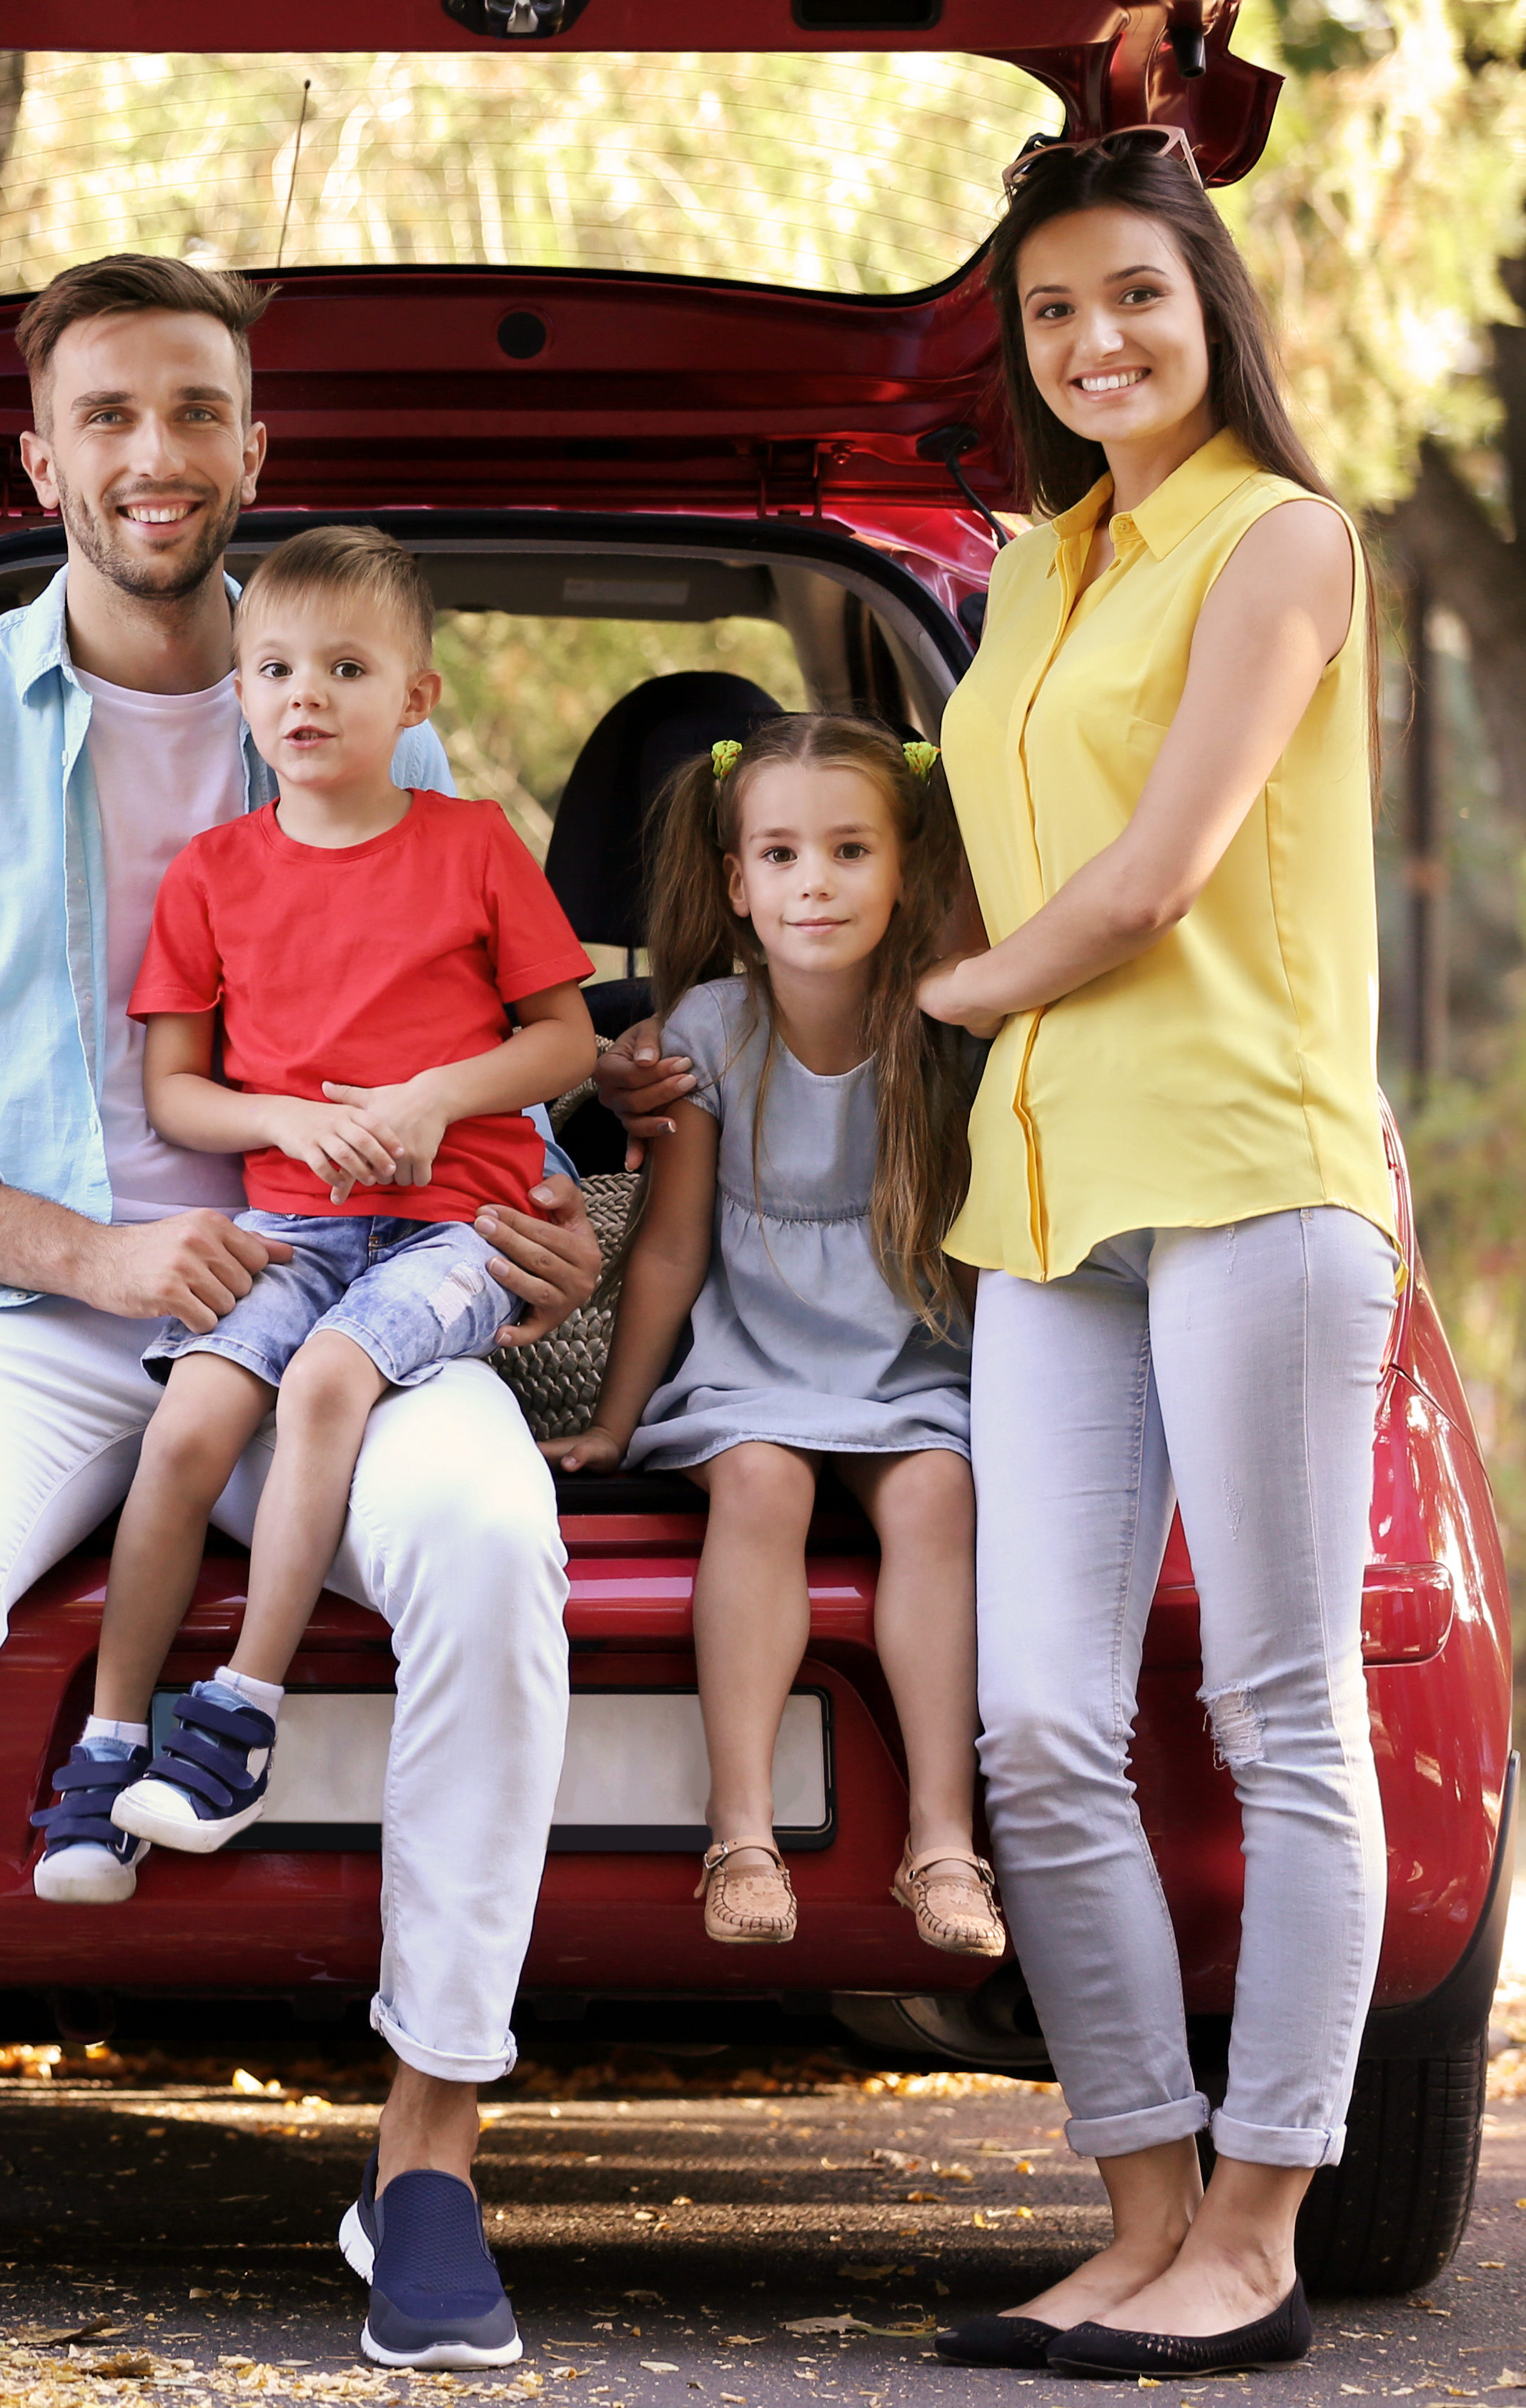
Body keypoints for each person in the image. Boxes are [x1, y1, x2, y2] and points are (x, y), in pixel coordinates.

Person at [0, 257, 603, 2373]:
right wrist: (85, 1250)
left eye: (196, 410)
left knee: (492, 1543)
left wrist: (540, 1222)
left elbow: (469, 1035)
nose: (157, 453)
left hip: (347, 1286)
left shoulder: (354, 707)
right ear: (42, 460)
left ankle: (424, 2165)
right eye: (109, 415)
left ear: (252, 448)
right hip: (17, 1310)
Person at [911, 130, 1399, 2379]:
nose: (1094, 340)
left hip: (1244, 1173)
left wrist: (936, 999)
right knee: (1034, 1723)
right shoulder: (1034, 572)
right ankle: (1140, 2217)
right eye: (1051, 311)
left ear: (1211, 310)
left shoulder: (1280, 539)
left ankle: (1261, 2222)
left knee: (1282, 1706)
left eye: (1133, 296)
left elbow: (1148, 879)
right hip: (1046, 1196)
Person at [30, 526, 595, 1880]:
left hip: (455, 1228)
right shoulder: (213, 874)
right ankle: (110, 1743)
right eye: (276, 668)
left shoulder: (472, 845)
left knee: (330, 1379)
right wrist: (283, 1117)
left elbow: (565, 1042)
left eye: (347, 669)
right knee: (187, 1426)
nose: (307, 696)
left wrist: (435, 1095)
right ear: (239, 692)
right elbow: (177, 1090)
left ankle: (240, 1714)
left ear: (415, 699)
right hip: (291, 1224)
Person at [543, 715, 1000, 1959]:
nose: (815, 883)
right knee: (759, 1481)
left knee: (937, 1493)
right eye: (782, 854)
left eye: (850, 850)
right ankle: (740, 1834)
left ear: (905, 869)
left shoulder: (943, 1029)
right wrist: (614, 1423)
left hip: (905, 1365)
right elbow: (671, 1248)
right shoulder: (704, 1029)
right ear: (738, 883)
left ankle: (942, 1841)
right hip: (749, 1367)